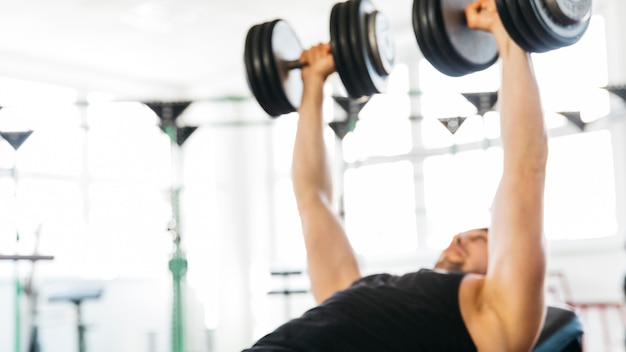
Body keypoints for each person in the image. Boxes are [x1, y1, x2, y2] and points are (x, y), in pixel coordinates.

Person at [244, 0, 548, 350]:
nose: (458, 239)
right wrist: (313, 85)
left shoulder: (496, 317)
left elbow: (525, 170)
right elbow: (313, 199)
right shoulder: (355, 287)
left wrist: (510, 36)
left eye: (479, 237)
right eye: (461, 235)